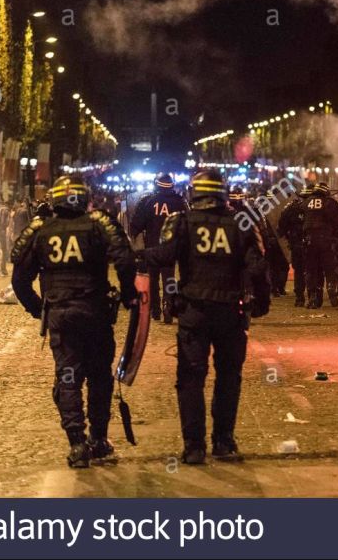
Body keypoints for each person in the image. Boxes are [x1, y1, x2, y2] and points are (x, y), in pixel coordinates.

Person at [140, 169, 269, 463]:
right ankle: (223, 441)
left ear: (194, 193)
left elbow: (163, 256)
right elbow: (258, 267)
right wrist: (262, 303)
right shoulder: (241, 223)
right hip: (230, 314)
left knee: (190, 379)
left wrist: (131, 257)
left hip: (194, 313)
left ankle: (194, 446)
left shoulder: (182, 221)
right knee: (228, 377)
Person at [11, 175, 137, 468]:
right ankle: (99, 439)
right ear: (84, 198)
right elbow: (126, 260)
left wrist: (39, 309)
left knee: (67, 378)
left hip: (61, 315)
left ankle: (77, 445)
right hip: (95, 313)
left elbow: (19, 280)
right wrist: (129, 296)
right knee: (99, 378)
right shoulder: (98, 224)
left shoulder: (41, 229)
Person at [129, 173, 188, 323]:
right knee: (169, 279)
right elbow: (187, 223)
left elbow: (136, 224)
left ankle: (155, 309)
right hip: (171, 248)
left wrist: (135, 236)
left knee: (153, 279)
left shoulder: (149, 201)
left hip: (152, 247)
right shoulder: (180, 202)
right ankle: (168, 306)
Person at [302, 182, 338, 309]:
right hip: (326, 239)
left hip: (309, 241)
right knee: (329, 268)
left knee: (312, 270)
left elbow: (300, 219)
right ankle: (331, 287)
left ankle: (313, 296)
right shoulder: (330, 203)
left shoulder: (305, 202)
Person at [278, 185, 311, 306]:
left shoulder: (291, 208)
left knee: (299, 271)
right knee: (313, 270)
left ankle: (299, 297)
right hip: (311, 244)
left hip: (296, 243)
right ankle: (313, 297)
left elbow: (281, 225)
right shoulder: (317, 207)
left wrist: (286, 236)